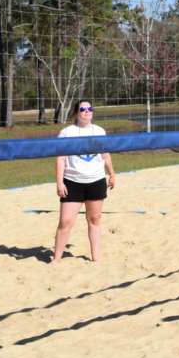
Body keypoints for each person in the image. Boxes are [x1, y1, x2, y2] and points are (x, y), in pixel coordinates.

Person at [51, 100, 115, 264]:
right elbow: (60, 160)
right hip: (72, 182)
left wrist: (112, 174)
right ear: (76, 113)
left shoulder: (99, 131)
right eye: (82, 109)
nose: (86, 111)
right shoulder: (66, 132)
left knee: (94, 219)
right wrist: (60, 183)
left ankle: (95, 256)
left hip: (96, 180)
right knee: (65, 222)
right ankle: (56, 258)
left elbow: (105, 155)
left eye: (89, 108)